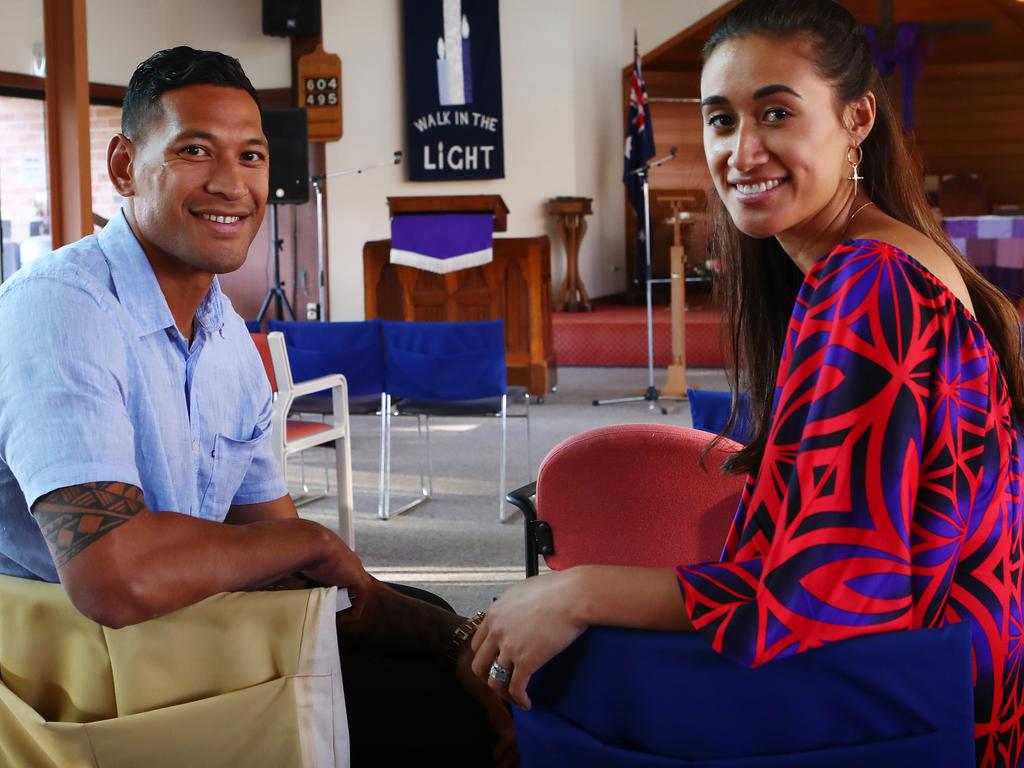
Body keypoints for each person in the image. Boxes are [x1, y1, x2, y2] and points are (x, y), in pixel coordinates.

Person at [468, 2, 1024, 766]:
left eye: (776, 112)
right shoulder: (875, 264)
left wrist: (580, 590)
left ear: (857, 118)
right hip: (928, 673)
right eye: (721, 120)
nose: (743, 148)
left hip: (913, 708)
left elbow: (827, 587)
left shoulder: (871, 282)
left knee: (548, 689)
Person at [0, 47, 515, 767]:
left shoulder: (227, 339)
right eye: (195, 150)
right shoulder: (63, 305)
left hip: (184, 624)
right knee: (434, 719)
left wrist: (458, 637)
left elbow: (282, 560)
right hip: (71, 666)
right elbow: (114, 577)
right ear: (124, 166)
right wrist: (312, 542)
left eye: (251, 156)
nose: (231, 183)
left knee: (426, 625)